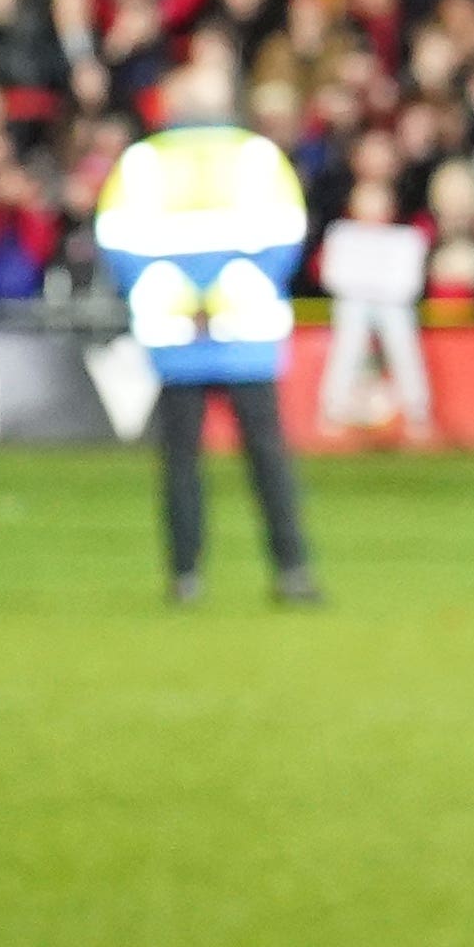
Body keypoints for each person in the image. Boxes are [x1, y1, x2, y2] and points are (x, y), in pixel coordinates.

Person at [96, 62, 327, 609]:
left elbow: (117, 244)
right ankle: (292, 571)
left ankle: (184, 577)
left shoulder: (143, 162)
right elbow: (286, 240)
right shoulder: (257, 157)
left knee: (180, 461)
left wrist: (185, 297)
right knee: (267, 457)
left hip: (175, 333)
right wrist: (224, 293)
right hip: (246, 330)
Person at [315, 167, 440, 447]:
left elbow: (408, 284)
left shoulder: (405, 239)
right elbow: (333, 277)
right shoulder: (342, 235)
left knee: (403, 346)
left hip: (392, 305)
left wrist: (374, 289)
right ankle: (332, 413)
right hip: (354, 303)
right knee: (346, 347)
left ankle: (417, 415)